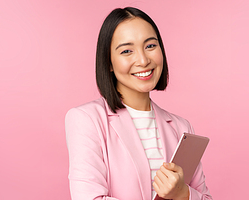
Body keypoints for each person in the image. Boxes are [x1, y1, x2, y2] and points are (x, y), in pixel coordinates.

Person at [65, 7, 213, 200]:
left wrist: (182, 194)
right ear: (108, 62)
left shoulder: (181, 127)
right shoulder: (86, 120)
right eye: (127, 51)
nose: (143, 60)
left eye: (150, 46)